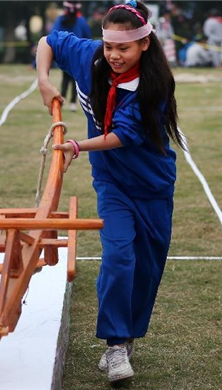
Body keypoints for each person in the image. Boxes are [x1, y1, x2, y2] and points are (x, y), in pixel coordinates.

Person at [36, 0, 185, 384]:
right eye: (110, 47)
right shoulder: (90, 57)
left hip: (152, 184)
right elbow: (48, 41)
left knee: (147, 269)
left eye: (125, 48)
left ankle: (129, 335)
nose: (115, 56)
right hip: (112, 182)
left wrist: (75, 147)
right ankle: (116, 346)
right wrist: (44, 78)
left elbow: (123, 136)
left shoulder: (155, 86)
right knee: (119, 256)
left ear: (145, 45)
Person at [51, 1, 92, 112]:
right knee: (75, 79)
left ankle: (63, 98)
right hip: (78, 55)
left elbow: (53, 35)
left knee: (65, 78)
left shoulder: (61, 20)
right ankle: (73, 102)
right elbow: (88, 36)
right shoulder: (81, 20)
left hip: (65, 55)